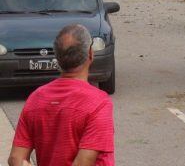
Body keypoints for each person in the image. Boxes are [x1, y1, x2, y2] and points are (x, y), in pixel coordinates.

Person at [8, 24, 114, 166]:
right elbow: (83, 162)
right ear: (90, 53)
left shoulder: (36, 98)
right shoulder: (98, 103)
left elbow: (16, 159)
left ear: (57, 57)